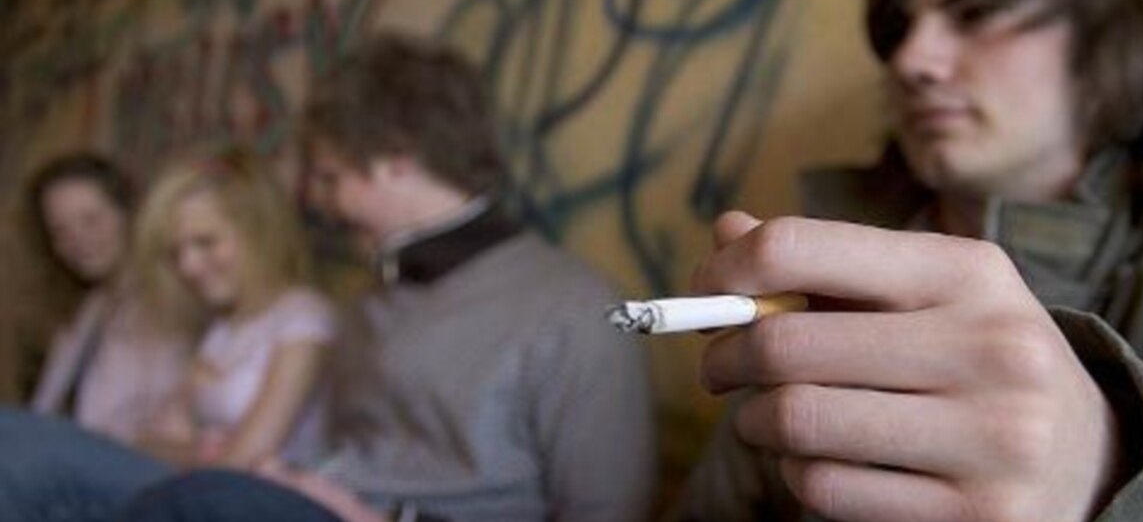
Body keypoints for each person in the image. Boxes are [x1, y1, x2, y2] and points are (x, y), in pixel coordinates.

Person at [673, 0, 1143, 522]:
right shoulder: (823, 287)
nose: (910, 60)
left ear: (1104, 38)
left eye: (976, 11)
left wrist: (1119, 473)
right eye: (898, 29)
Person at [0, 33, 656, 522]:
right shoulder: (377, 298)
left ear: (397, 162)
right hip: (299, 492)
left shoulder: (574, 311)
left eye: (330, 177)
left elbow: (606, 512)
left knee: (207, 499)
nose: (318, 201)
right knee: (15, 441)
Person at [132, 145, 336, 469]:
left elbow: (244, 460)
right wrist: (202, 452)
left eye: (205, 243)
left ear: (258, 231)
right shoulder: (224, 329)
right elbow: (147, 444)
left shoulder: (304, 318)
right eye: (175, 253)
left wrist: (196, 451)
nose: (187, 267)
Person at [25, 153, 189, 443]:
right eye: (60, 231)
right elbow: (44, 410)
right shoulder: (88, 310)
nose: (77, 240)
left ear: (128, 213)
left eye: (91, 220)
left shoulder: (168, 298)